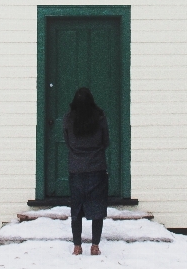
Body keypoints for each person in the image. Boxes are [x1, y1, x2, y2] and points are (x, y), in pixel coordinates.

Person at [63, 87, 110, 256]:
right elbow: (106, 141)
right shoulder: (100, 117)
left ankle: (77, 246)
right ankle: (95, 245)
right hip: (97, 167)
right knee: (97, 207)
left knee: (76, 208)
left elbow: (67, 140)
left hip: (76, 168)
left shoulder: (68, 119)